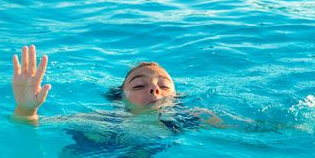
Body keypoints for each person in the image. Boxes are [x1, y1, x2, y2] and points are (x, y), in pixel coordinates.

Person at [12, 44, 226, 129]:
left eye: (164, 86)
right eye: (139, 85)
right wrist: (26, 110)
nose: (154, 89)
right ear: (120, 98)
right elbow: (31, 125)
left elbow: (253, 135)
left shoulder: (193, 118)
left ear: (177, 98)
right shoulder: (101, 120)